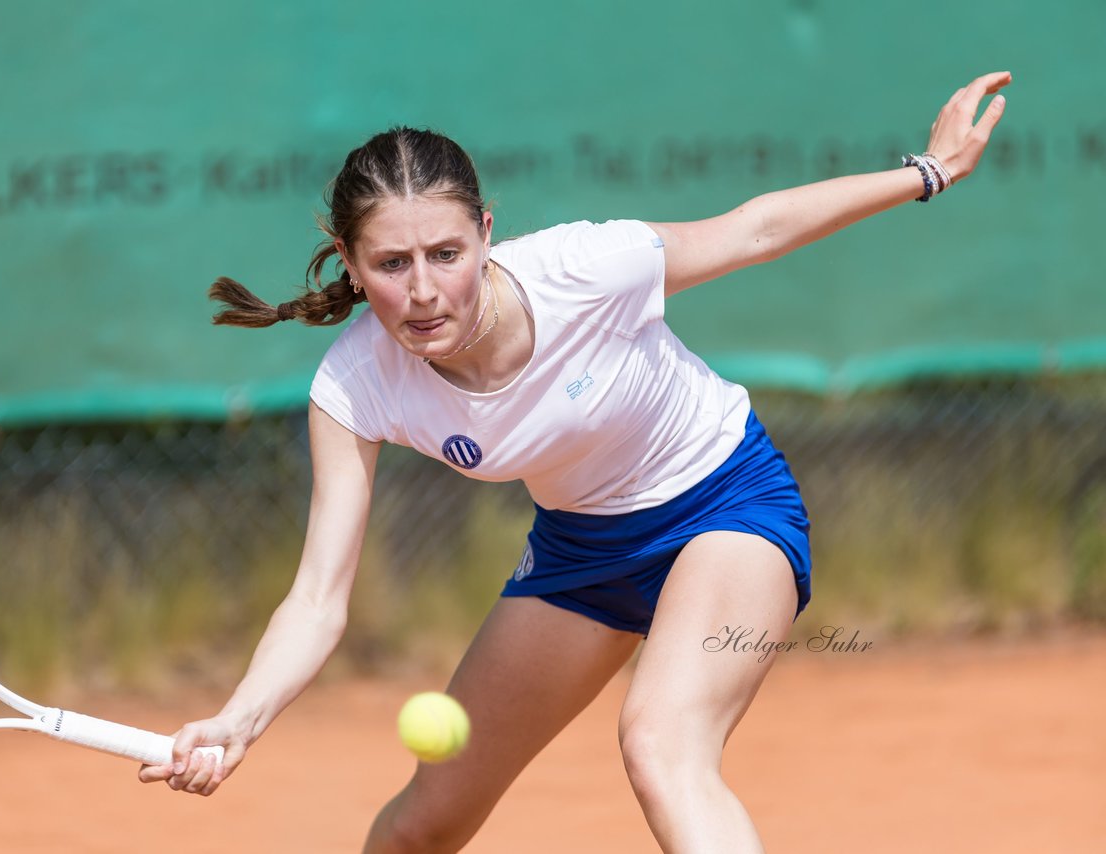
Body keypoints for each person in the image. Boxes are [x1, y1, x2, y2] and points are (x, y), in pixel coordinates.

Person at [140, 71, 1011, 852]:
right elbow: (318, 599)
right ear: (354, 264)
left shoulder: (586, 268)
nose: (424, 289)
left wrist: (928, 170)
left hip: (726, 505)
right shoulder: (355, 384)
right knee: (418, 828)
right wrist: (238, 718)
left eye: (446, 254)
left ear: (485, 233)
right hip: (580, 554)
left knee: (662, 745)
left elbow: (755, 230)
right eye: (392, 264)